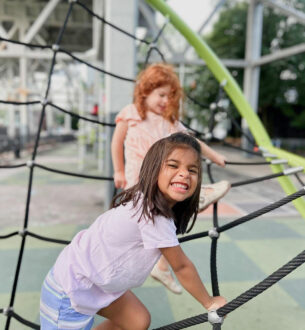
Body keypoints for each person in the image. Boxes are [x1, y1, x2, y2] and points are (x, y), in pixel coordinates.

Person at [40, 133, 227, 330]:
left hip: (99, 284)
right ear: (153, 170)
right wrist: (209, 302)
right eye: (173, 165)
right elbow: (181, 267)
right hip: (71, 289)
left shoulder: (150, 202)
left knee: (137, 321)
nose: (184, 173)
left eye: (192, 169)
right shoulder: (153, 214)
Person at [111, 63, 230, 294]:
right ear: (145, 92)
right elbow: (116, 143)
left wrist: (215, 157)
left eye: (170, 96)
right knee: (154, 220)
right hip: (138, 178)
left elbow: (193, 142)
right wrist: (117, 170)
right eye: (161, 94)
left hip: (160, 180)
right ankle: (200, 196)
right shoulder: (131, 113)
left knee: (164, 220)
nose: (166, 101)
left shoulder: (170, 123)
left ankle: (161, 266)